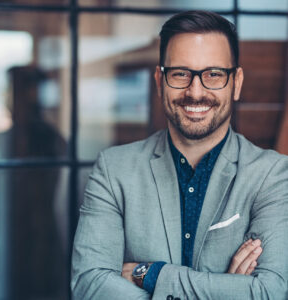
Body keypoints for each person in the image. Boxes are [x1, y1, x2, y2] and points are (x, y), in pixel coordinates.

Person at [71, 10, 288, 299]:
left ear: (236, 83)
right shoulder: (113, 170)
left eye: (213, 74)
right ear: (160, 82)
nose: (195, 91)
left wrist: (152, 274)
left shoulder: (273, 175)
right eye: (180, 74)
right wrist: (226, 288)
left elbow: (269, 292)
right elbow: (90, 286)